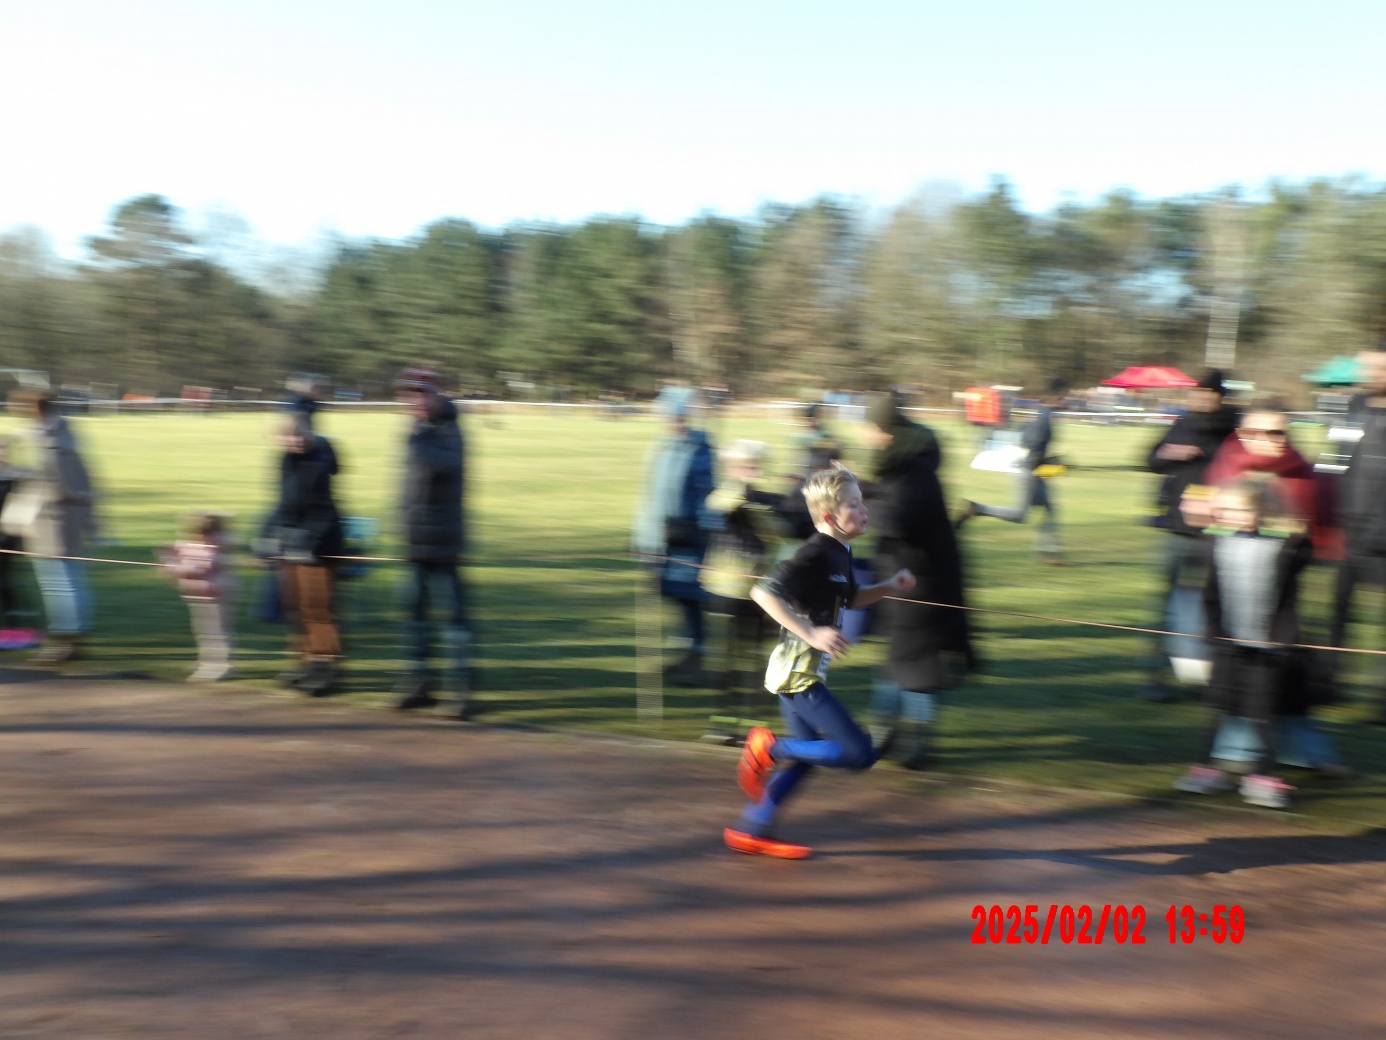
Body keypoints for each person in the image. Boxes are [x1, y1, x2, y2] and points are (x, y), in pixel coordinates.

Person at [725, 466, 916, 859]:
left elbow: (849, 597)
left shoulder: (841, 550)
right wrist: (811, 633)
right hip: (798, 678)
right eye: (854, 504)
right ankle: (770, 747)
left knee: (808, 756)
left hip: (801, 676)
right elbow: (762, 592)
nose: (864, 511)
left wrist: (887, 588)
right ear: (829, 516)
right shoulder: (815, 551)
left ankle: (752, 828)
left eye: (863, 502)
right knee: (859, 753)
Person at [1173, 477, 1308, 809]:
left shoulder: (1283, 547)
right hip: (1227, 644)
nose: (1231, 515)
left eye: (1240, 509)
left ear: (1260, 510)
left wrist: (1283, 641)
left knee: (1263, 712)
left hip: (1267, 648)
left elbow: (1292, 590)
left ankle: (1263, 776)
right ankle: (1206, 768)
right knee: (1219, 706)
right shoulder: (1216, 542)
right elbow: (1210, 595)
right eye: (1227, 510)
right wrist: (1213, 635)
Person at [860, 392, 975, 768]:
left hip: (921, 585)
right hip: (902, 582)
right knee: (900, 663)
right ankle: (887, 734)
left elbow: (897, 519)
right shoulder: (904, 466)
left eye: (872, 428)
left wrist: (858, 505)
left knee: (915, 669)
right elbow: (889, 501)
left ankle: (911, 739)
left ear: (887, 431)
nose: (868, 436)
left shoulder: (914, 472)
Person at [1141, 369, 1240, 701]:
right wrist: (1169, 454)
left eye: (1206, 394)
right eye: (1195, 393)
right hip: (1177, 531)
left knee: (1212, 606)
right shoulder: (1181, 423)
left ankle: (1209, 679)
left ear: (1219, 397)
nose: (1199, 399)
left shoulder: (1232, 429)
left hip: (1217, 532)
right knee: (1168, 607)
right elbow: (1149, 459)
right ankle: (1157, 677)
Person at [392, 368, 474, 718]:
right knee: (414, 617)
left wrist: (418, 439)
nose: (415, 401)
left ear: (437, 394)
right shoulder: (418, 431)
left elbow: (446, 465)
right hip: (414, 540)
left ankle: (460, 691)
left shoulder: (448, 428)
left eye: (421, 394)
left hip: (443, 541)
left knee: (453, 619)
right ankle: (418, 682)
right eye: (409, 395)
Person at [701, 439, 787, 744]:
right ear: (730, 467)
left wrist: (760, 504)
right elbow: (720, 505)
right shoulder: (722, 496)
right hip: (724, 592)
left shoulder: (764, 503)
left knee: (755, 663)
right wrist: (745, 495)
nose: (748, 471)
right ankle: (723, 725)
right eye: (742, 465)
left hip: (758, 594)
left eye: (753, 466)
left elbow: (779, 534)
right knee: (725, 661)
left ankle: (753, 727)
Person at [632, 386, 715, 686]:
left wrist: (707, 533)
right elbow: (649, 495)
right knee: (676, 597)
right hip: (662, 539)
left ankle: (696, 657)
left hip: (690, 539)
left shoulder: (700, 449)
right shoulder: (661, 447)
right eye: (668, 416)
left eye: (677, 415)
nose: (672, 421)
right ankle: (686, 653)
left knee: (691, 599)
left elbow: (708, 495)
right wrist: (642, 538)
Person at [10, 388, 97, 664]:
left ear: (32, 408)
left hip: (50, 516)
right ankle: (75, 637)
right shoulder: (66, 430)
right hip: (69, 515)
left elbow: (56, 481)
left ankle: (64, 641)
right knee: (72, 579)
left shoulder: (43, 436)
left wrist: (24, 479)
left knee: (57, 583)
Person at [266, 414, 345, 696]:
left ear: (307, 434)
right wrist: (268, 535)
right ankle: (303, 661)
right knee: (294, 607)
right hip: (293, 542)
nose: (295, 441)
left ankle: (324, 665)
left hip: (320, 545)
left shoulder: (318, 460)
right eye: (288, 437)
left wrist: (309, 542)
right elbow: (283, 502)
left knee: (317, 607)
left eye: (299, 436)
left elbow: (322, 509)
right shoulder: (286, 460)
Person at [1330, 347, 1386, 725]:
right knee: (1338, 614)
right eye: (1368, 366)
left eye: (1380, 367)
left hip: (1383, 535)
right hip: (1349, 530)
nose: (1371, 372)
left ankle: (1382, 700)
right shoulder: (1353, 405)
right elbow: (1333, 461)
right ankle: (1328, 684)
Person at [955, 378, 1068, 563]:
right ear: (1056, 399)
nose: (1066, 402)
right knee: (1019, 515)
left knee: (1050, 508)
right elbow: (1033, 449)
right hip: (1028, 472)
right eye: (1063, 398)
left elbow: (1026, 439)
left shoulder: (1041, 415)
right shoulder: (1044, 421)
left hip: (1029, 470)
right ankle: (976, 509)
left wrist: (1050, 461)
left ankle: (1050, 554)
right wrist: (1051, 463)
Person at [161, 511, 236, 681]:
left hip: (216, 598)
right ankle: (208, 660)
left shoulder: (214, 550)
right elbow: (181, 553)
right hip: (199, 596)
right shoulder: (194, 545)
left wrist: (169, 564)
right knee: (203, 632)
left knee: (216, 633)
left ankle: (220, 665)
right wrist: (170, 553)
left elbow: (193, 570)